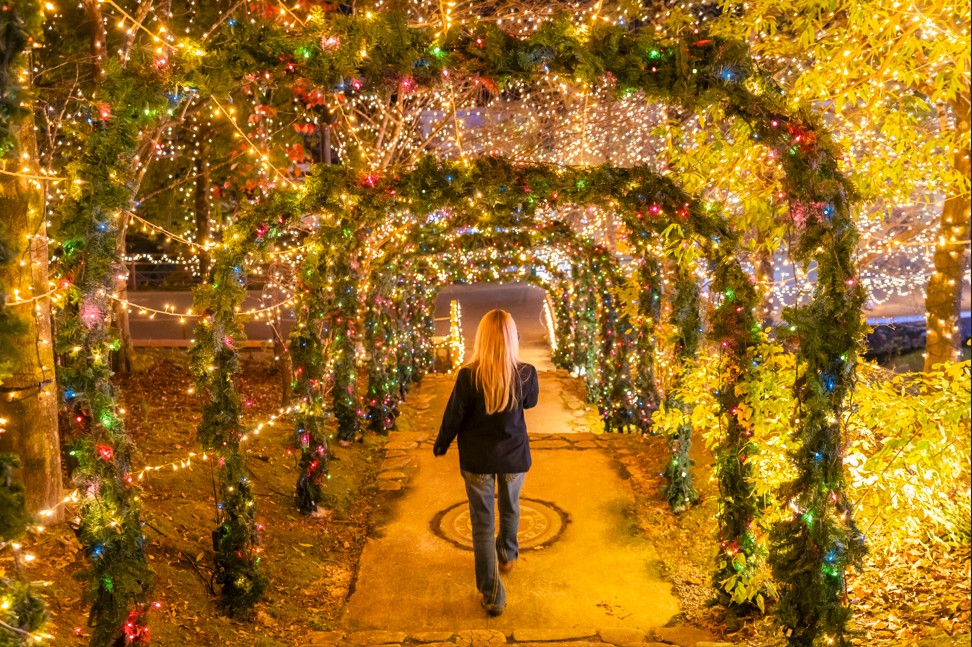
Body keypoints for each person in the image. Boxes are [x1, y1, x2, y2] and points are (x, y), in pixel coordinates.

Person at [433, 309, 539, 617]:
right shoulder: (526, 373)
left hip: (478, 460)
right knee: (511, 507)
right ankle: (507, 552)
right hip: (514, 457)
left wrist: (442, 443)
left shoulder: (469, 376)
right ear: (512, 338)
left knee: (481, 523)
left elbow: (454, 415)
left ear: (481, 338)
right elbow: (530, 402)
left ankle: (493, 595)